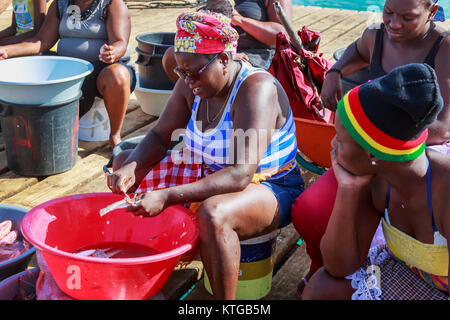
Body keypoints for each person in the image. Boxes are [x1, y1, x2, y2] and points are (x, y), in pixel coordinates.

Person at [107, 10, 304, 299]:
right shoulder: (190, 84)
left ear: (224, 60)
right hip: (210, 172)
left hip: (271, 186)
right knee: (126, 161)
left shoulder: (255, 89)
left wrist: (168, 195)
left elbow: (240, 174)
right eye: (180, 71)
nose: (186, 80)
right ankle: (149, 260)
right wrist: (129, 169)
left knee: (214, 213)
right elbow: (160, 136)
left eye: (193, 72)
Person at [291, 0, 449, 296]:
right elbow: (338, 268)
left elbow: (442, 125)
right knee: (321, 284)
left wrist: (382, 137)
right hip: (397, 154)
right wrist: (349, 190)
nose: (333, 144)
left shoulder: (444, 191)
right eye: (389, 13)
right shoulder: (376, 180)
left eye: (341, 138)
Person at [0, 0, 136, 148]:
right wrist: (7, 51)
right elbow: (40, 41)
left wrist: (113, 52)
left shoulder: (111, 4)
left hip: (104, 72)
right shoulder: (60, 4)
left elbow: (120, 42)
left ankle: (115, 136)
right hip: (72, 74)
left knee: (117, 74)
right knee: (31, 61)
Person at [161, 0, 292, 84]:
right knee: (172, 56)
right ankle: (195, 108)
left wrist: (240, 20)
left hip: (255, 55)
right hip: (215, 50)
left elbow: (282, 35)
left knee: (221, 66)